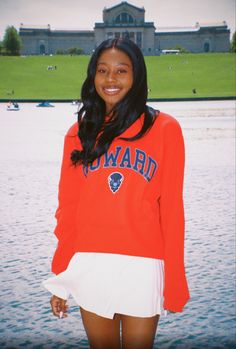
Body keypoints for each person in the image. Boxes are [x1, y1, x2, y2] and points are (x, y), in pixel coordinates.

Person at [42, 38, 190, 349]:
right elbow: (68, 210)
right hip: (90, 263)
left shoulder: (165, 128)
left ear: (137, 76)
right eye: (103, 70)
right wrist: (62, 276)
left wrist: (175, 280)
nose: (111, 80)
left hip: (144, 265)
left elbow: (173, 211)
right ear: (92, 75)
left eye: (121, 71)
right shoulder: (79, 132)